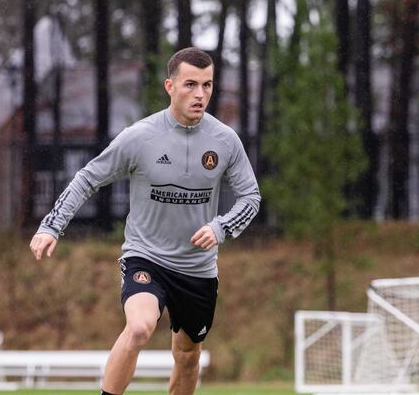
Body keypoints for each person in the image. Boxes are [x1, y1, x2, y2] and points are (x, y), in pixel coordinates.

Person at [29, 47, 261, 395]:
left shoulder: (225, 141)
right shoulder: (140, 137)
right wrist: (51, 225)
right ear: (170, 86)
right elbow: (88, 177)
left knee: (187, 357)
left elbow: (251, 197)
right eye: (190, 85)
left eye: (208, 85)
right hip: (146, 256)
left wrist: (221, 227)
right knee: (139, 328)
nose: (200, 95)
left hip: (197, 269)